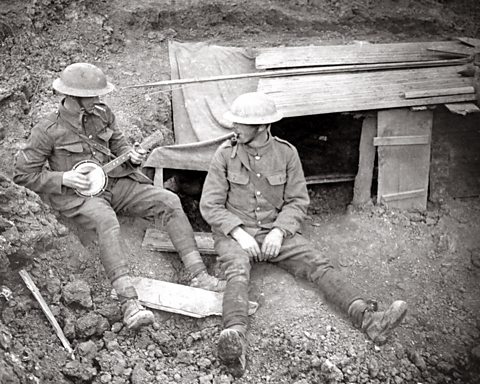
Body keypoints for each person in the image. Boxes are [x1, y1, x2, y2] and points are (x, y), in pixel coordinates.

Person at [199, 92, 408, 377]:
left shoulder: (287, 154)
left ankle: (369, 318)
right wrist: (238, 233)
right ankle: (235, 340)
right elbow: (210, 205)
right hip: (237, 233)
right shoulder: (224, 155)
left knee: (316, 263)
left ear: (262, 127)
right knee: (236, 270)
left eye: (241, 124)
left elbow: (297, 201)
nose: (234, 128)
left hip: (275, 230)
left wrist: (279, 231)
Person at [14, 62, 225, 331]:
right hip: (78, 196)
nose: (100, 99)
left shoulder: (103, 114)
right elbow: (22, 176)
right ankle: (129, 303)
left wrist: (134, 157)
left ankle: (199, 275)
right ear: (74, 98)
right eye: (94, 95)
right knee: (106, 220)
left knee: (168, 201)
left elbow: (120, 146)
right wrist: (63, 178)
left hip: (114, 183)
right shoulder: (48, 130)